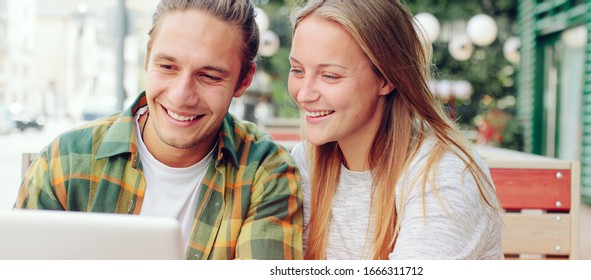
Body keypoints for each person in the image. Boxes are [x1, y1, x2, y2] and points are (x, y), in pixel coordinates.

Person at [14, 0, 302, 260]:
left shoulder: (265, 171)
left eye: (209, 76)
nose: (180, 96)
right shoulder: (66, 160)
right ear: (147, 58)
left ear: (244, 80)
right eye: (167, 66)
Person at [288, 0, 503, 260]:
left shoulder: (446, 176)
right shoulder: (305, 163)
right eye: (298, 70)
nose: (304, 93)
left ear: (386, 78)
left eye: (330, 76)